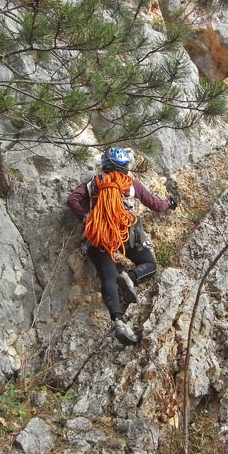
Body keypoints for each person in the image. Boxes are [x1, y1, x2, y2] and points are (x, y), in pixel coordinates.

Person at [67, 147, 178, 345]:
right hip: (126, 235)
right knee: (150, 265)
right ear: (125, 167)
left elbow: (72, 199)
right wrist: (170, 202)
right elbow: (155, 205)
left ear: (105, 166)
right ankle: (131, 277)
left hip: (99, 237)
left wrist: (87, 218)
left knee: (108, 276)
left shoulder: (94, 184)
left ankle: (118, 321)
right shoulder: (131, 185)